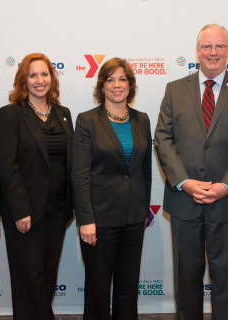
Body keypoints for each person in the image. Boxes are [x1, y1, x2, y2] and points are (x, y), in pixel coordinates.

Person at [154, 24, 228, 319]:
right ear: (197, 51)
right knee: (186, 282)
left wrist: (226, 186)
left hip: (227, 203)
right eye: (206, 46)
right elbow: (162, 139)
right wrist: (185, 182)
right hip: (184, 202)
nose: (213, 53)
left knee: (226, 284)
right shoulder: (175, 90)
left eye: (219, 46)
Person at [71, 57, 152, 320]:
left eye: (123, 79)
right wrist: (86, 219)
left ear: (130, 84)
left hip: (133, 218)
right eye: (110, 79)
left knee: (128, 288)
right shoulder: (87, 121)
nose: (117, 85)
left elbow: (145, 172)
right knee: (98, 288)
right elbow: (79, 175)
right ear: (101, 86)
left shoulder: (142, 119)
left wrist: (142, 212)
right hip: (99, 221)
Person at [0, 53, 73, 320]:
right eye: (33, 75)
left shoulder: (64, 114)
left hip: (58, 210)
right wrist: (19, 211)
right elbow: (7, 166)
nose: (39, 80)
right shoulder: (11, 114)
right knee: (29, 277)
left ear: (52, 78)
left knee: (48, 273)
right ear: (23, 80)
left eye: (44, 74)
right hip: (25, 212)